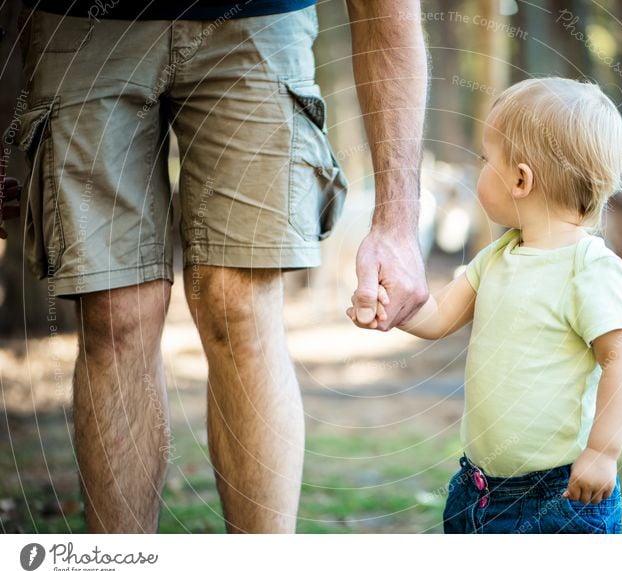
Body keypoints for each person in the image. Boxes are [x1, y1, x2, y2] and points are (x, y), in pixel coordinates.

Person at [3, 0, 428, 533]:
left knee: (240, 307)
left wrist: (397, 220)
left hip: (260, 20)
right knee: (114, 315)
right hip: (79, 22)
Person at [348, 77, 622, 534]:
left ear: (521, 179)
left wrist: (602, 453)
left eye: (486, 160)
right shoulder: (497, 256)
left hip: (560, 497)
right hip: (479, 489)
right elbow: (440, 315)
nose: (479, 169)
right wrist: (394, 308)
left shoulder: (590, 268)